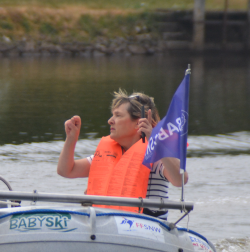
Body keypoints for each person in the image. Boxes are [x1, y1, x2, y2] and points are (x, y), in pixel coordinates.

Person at [56, 90, 187, 217]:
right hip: (107, 226)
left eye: (118, 115)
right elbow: (66, 170)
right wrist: (71, 139)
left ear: (139, 123)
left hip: (145, 228)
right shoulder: (106, 154)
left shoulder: (156, 157)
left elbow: (180, 179)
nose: (110, 120)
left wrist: (156, 142)